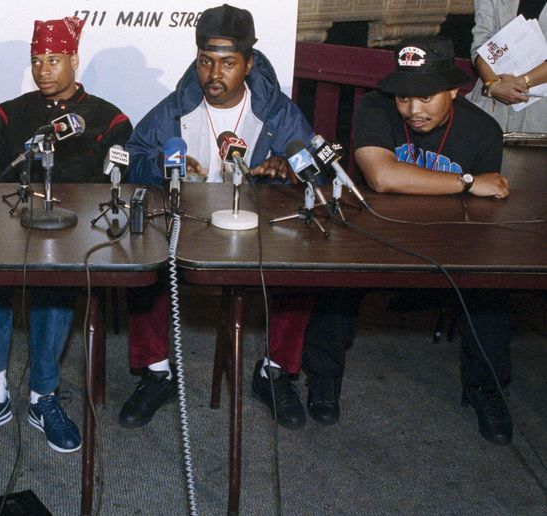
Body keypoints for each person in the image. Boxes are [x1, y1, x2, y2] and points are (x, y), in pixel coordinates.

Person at [302, 36, 514, 445]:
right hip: (373, 228)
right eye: (404, 97)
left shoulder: (483, 130)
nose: (413, 110)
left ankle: (486, 388)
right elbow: (382, 175)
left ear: (454, 89)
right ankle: (324, 377)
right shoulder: (376, 107)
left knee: (491, 292)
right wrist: (467, 182)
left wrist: (470, 194)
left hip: (452, 236)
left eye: (426, 97)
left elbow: (490, 205)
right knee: (334, 281)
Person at [123, 3, 315, 430]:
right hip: (187, 224)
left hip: (255, 227)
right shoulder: (176, 107)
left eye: (228, 63)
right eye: (206, 61)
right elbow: (134, 153)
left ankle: (275, 371)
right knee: (143, 261)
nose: (214, 75)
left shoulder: (277, 111)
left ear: (248, 64)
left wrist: (288, 167)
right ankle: (156, 372)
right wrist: (164, 167)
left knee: (301, 271)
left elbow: (312, 160)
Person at [0, 17, 133, 453]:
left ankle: (42, 397)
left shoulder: (108, 117)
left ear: (73, 60)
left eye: (53, 60)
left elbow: (111, 180)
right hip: (9, 223)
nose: (43, 69)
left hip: (73, 229)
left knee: (54, 282)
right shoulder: (10, 113)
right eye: (36, 61)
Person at [465, 0, 547, 132]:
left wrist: (522, 82)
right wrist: (493, 84)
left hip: (540, 109)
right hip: (492, 104)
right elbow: (480, 43)